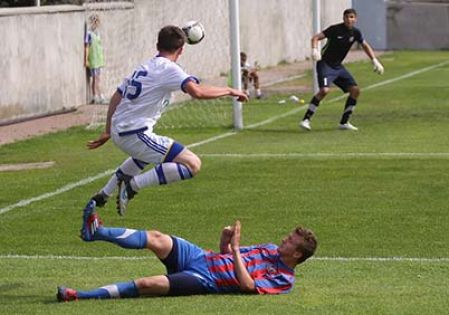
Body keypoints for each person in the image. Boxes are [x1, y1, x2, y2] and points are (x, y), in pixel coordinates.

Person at [87, 25, 248, 216]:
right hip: (134, 133)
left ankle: (104, 194)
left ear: (157, 45)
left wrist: (107, 130)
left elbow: (116, 96)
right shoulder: (169, 69)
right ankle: (133, 185)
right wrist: (230, 90)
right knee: (192, 164)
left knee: (144, 155)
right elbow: (198, 92)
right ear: (181, 50)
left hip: (121, 131)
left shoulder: (144, 67)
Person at [56, 200, 318, 301]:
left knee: (147, 283)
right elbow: (227, 255)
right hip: (200, 257)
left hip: (205, 280)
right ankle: (96, 232)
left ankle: (79, 295)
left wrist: (236, 250)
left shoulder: (284, 280)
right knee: (157, 238)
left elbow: (248, 286)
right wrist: (226, 243)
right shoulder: (269, 249)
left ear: (296, 255)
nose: (283, 241)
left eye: (289, 242)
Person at [299, 8, 384, 132]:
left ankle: (344, 122)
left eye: (351, 17)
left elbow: (364, 45)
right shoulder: (335, 29)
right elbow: (316, 38)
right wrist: (314, 50)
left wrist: (374, 60)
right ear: (343, 18)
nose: (349, 20)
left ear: (355, 19)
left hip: (338, 67)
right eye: (347, 17)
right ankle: (306, 120)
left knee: (355, 90)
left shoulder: (356, 32)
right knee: (324, 90)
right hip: (325, 64)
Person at [85, 13, 106, 104]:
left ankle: (99, 95)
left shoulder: (97, 33)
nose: (95, 23)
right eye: (94, 21)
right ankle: (95, 96)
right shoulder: (89, 34)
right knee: (94, 79)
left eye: (97, 21)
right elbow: (87, 47)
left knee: (98, 78)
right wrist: (86, 59)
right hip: (93, 59)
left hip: (98, 59)